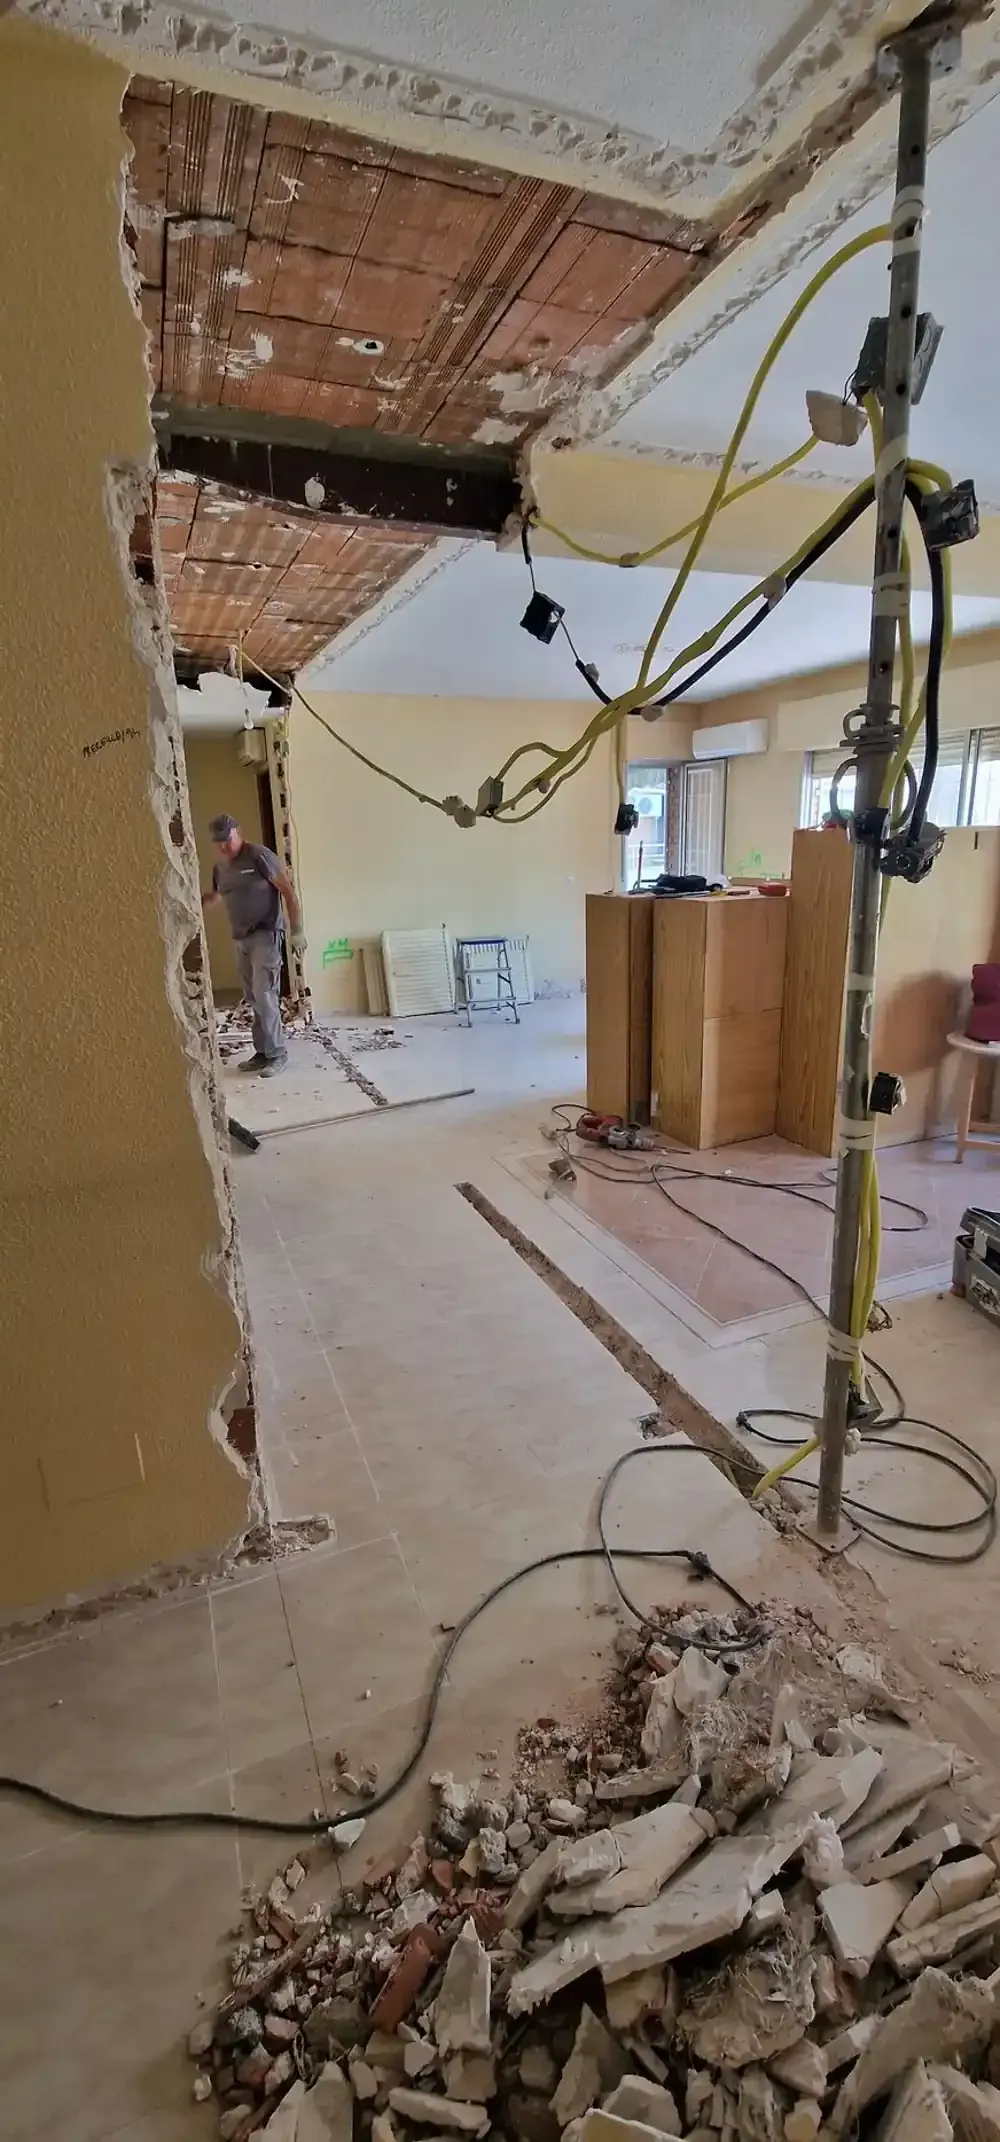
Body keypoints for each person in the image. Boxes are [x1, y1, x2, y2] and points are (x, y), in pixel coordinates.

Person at [202, 814, 306, 1075]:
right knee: (253, 997)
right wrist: (195, 902)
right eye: (219, 843)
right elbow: (215, 896)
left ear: (238, 832)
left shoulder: (259, 856)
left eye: (228, 839)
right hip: (241, 939)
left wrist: (297, 931)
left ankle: (277, 1054)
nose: (225, 846)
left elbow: (287, 891)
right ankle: (262, 1053)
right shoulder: (220, 868)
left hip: (266, 934)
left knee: (265, 993)